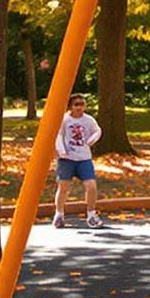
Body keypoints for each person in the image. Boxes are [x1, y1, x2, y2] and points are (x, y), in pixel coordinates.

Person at [50, 94, 103, 227]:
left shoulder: (88, 120)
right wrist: (61, 150)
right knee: (63, 187)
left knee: (91, 186)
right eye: (76, 104)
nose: (79, 107)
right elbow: (59, 134)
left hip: (84, 158)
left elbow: (97, 130)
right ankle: (59, 214)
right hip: (67, 159)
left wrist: (93, 139)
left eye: (82, 104)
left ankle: (91, 214)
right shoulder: (65, 120)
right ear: (70, 107)